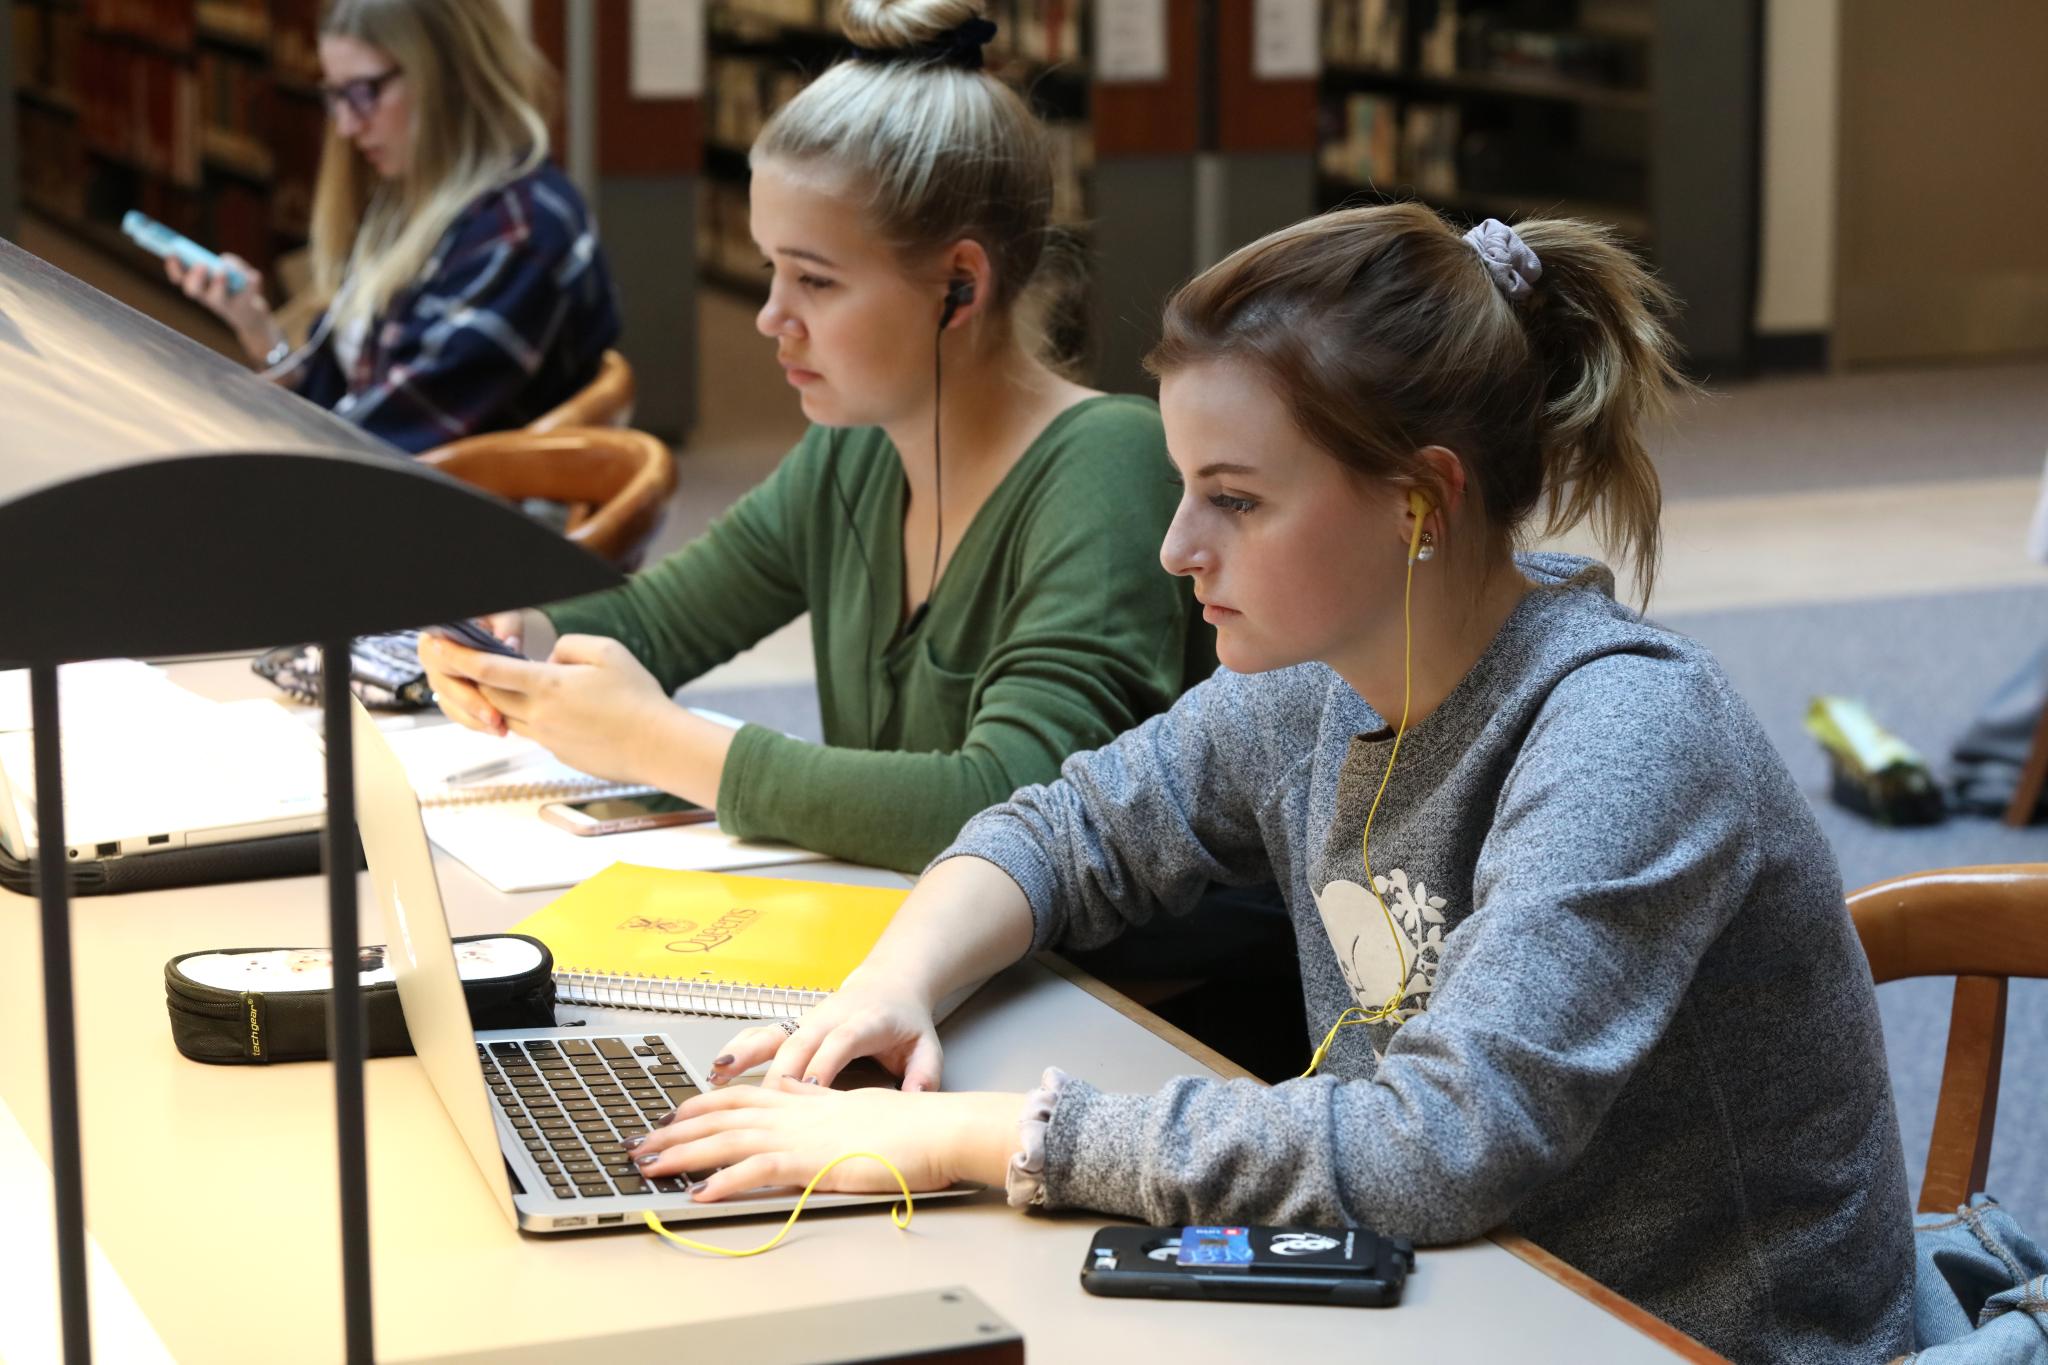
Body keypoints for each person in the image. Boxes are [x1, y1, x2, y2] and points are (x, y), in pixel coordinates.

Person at [626, 207, 1918, 1360]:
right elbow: (1065, 825)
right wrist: (892, 984)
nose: (1180, 548)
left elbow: (1442, 1145)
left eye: (1235, 500)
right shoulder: (1317, 683)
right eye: (1188, 489)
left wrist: (968, 1137)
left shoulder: (1627, 735)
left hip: (1687, 1334)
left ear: (1421, 504)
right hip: (1469, 1298)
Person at [417, 0, 1211, 874]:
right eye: (770, 269)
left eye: (816, 281)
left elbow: (1010, 802)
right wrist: (509, 639)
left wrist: (658, 744)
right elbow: (661, 619)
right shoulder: (856, 449)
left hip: (1111, 995)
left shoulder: (1109, 466)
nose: (770, 318)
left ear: (958, 284)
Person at [167, 0, 619, 453]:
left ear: (448, 75)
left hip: (459, 510)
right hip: (395, 493)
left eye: (363, 93)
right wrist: (258, 328)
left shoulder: (522, 232)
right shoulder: (416, 198)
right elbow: (345, 397)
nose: (345, 126)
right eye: (336, 96)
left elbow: (371, 446)